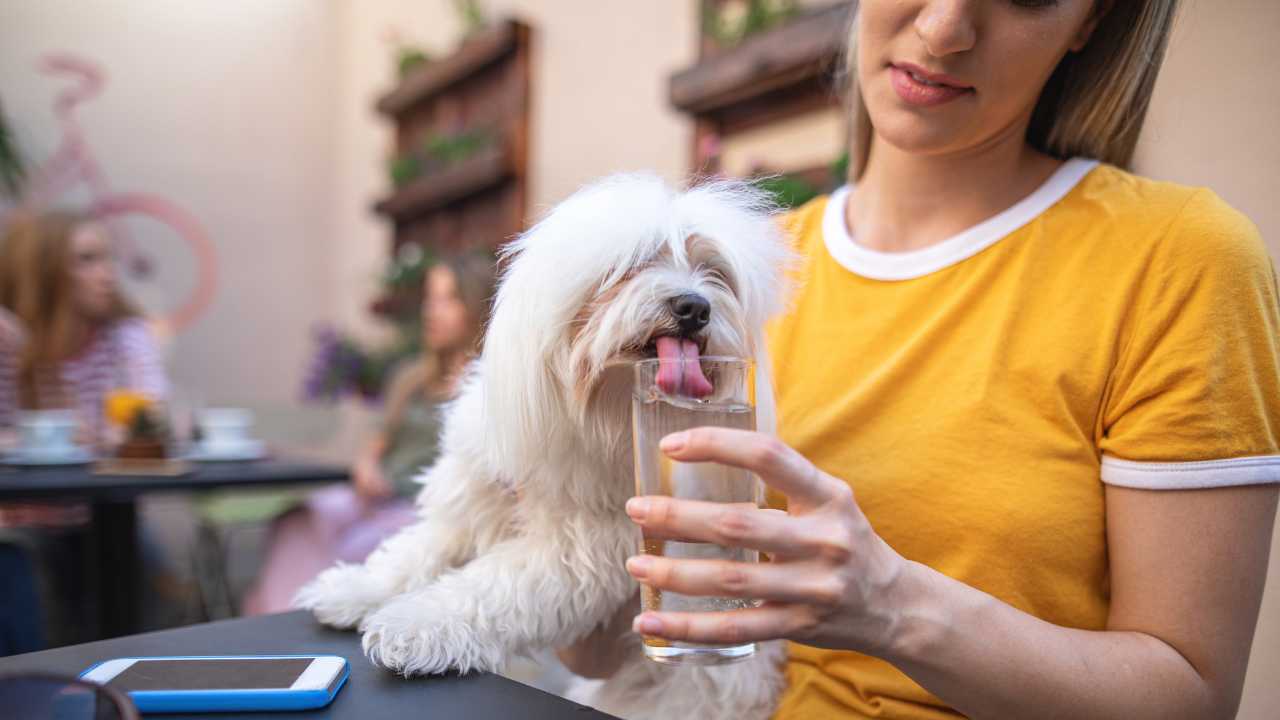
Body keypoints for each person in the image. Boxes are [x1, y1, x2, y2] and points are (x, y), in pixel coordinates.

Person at [561, 1, 1280, 718]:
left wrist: (893, 606)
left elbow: (1191, 700)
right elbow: (601, 647)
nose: (944, 29)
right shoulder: (733, 277)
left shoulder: (1178, 262)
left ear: (1092, 23)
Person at [243, 254, 495, 614]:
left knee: (357, 547)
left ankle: (321, 621)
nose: (431, 311)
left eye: (448, 299)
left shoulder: (488, 387)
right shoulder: (412, 378)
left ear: (475, 305)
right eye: (430, 299)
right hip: (375, 496)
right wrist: (366, 466)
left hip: (422, 510)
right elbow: (378, 440)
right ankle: (281, 619)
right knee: (298, 518)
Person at [0, 211, 167, 442]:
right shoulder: (7, 342)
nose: (109, 275)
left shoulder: (126, 336)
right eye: (87, 260)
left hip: (98, 478)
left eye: (109, 258)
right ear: (41, 270)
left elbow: (150, 428)